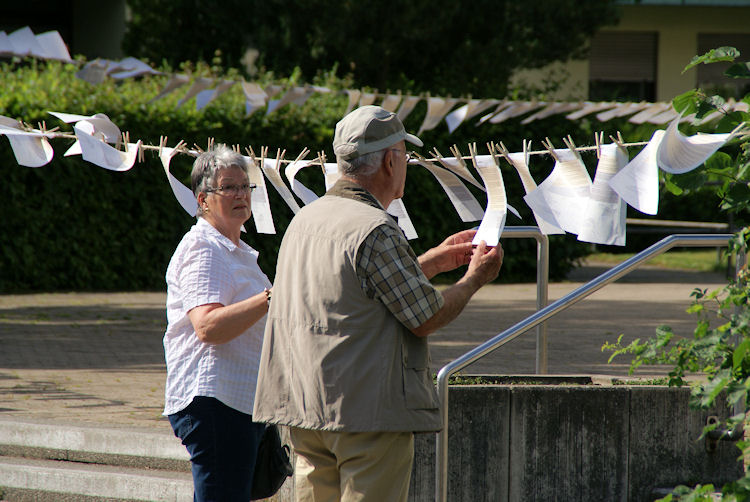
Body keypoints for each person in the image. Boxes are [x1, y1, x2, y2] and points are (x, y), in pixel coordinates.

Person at [253, 105, 503, 502]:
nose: (406, 164)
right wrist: (474, 279)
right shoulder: (376, 228)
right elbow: (425, 316)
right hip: (365, 416)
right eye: (405, 155)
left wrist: (434, 261)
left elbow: (351, 291)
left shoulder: (304, 220)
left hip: (306, 411)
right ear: (390, 161)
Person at [163, 145, 272, 501]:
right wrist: (271, 297)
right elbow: (208, 327)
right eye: (229, 187)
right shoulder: (203, 247)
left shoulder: (237, 250)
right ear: (203, 199)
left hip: (239, 401)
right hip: (214, 400)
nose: (240, 194)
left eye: (245, 186)